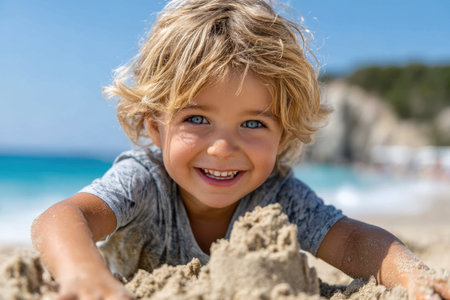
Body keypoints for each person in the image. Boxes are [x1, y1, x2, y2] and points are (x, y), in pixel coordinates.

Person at [31, 0, 450, 299]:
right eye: (196, 119)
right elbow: (61, 218)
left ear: (282, 138)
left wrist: (412, 277)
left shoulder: (279, 197)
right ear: (156, 128)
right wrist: (84, 275)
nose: (221, 148)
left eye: (253, 124)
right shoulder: (145, 181)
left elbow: (355, 242)